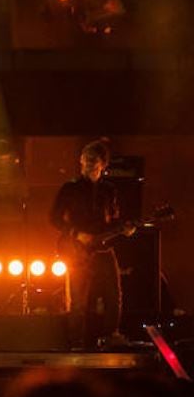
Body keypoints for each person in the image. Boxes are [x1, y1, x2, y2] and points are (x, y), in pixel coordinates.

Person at [49, 139, 135, 350]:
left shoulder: (109, 190)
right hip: (77, 250)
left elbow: (114, 220)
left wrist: (126, 228)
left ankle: (110, 338)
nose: (88, 163)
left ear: (103, 164)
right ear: (80, 161)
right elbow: (54, 218)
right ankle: (77, 343)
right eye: (85, 159)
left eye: (93, 160)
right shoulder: (70, 188)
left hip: (104, 248)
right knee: (79, 300)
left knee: (114, 296)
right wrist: (77, 233)